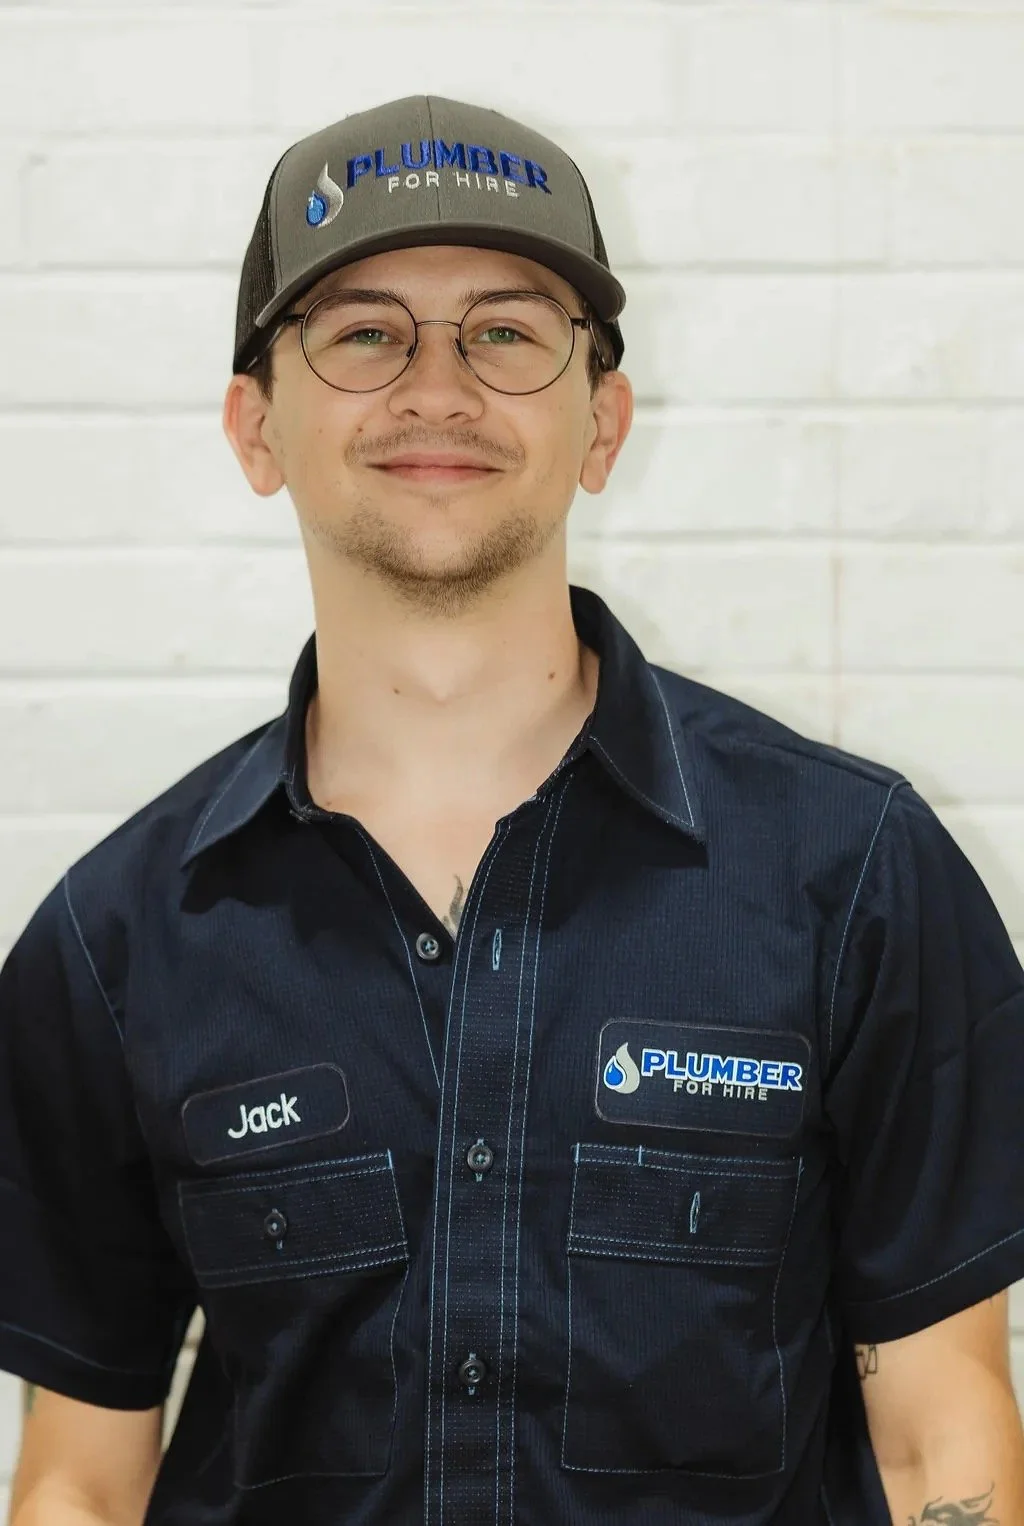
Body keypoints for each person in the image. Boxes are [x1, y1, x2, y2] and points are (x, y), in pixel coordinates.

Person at [2, 93, 1023, 1526]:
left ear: (600, 420)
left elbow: (939, 1438)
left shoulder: (854, 875)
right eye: (363, 333)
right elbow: (80, 1474)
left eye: (506, 331)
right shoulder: (115, 942)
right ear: (256, 426)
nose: (438, 388)